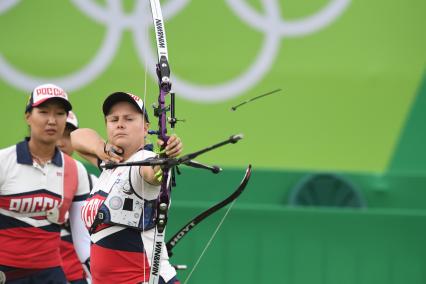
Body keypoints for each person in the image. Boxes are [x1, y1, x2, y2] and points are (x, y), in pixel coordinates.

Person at [71, 92, 182, 284]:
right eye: (113, 119)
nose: (120, 124)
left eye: (129, 119)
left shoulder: (142, 162)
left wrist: (164, 158)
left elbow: (152, 173)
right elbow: (76, 137)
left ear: (146, 128)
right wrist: (101, 148)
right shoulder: (110, 165)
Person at [0, 83, 91, 284]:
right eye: (43, 112)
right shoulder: (3, 162)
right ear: (28, 117)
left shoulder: (76, 170)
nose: (52, 120)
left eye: (60, 113)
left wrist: (95, 274)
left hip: (50, 274)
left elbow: (82, 238)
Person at [57, 111, 95, 284]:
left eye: (67, 135)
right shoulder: (19, 175)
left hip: (78, 277)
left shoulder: (92, 182)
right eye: (57, 133)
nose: (60, 142)